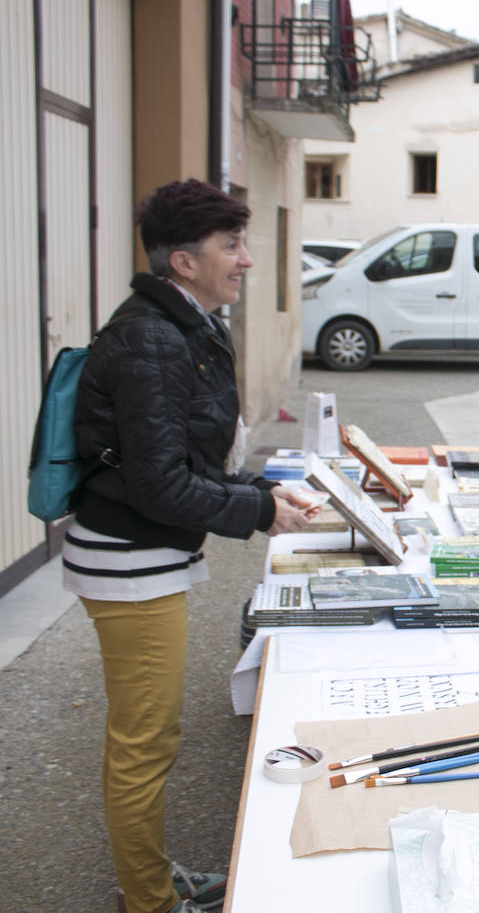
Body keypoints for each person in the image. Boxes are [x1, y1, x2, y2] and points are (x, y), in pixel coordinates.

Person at [64, 179, 315, 913]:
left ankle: (154, 878)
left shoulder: (184, 325)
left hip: (146, 555)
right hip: (128, 560)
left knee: (152, 733)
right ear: (182, 261)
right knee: (144, 742)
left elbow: (189, 460)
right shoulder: (148, 337)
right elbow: (159, 486)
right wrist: (260, 510)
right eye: (230, 247)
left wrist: (260, 487)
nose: (244, 261)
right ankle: (147, 900)